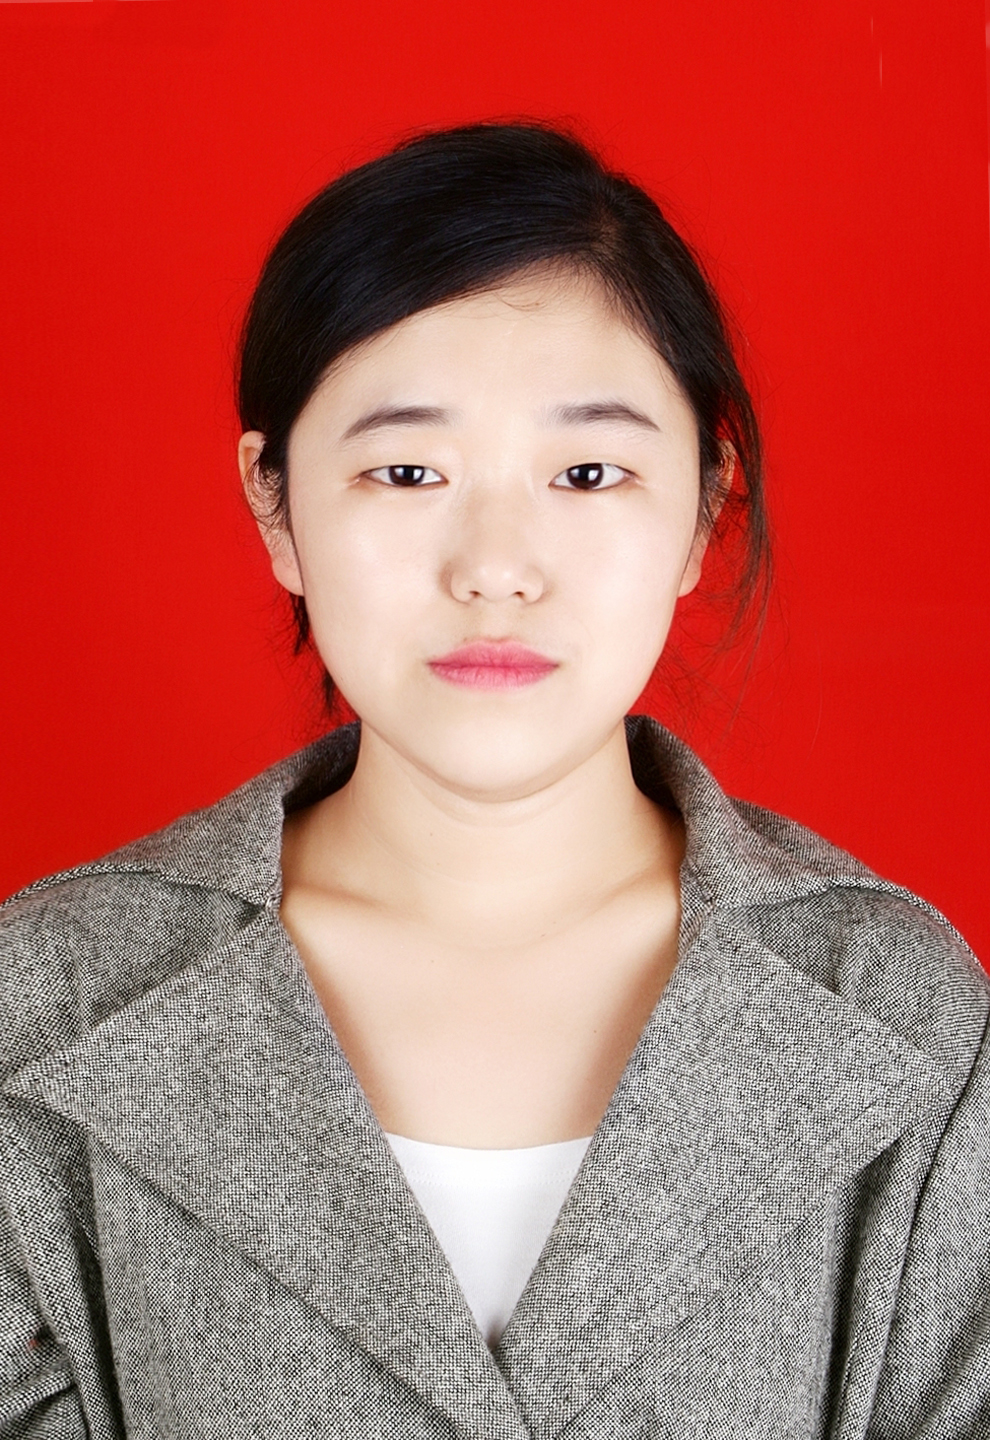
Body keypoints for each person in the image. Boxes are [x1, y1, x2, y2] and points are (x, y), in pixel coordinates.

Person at [0, 121, 987, 1440]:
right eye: (407, 470)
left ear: (703, 506)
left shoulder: (900, 1009)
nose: (496, 568)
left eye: (588, 472)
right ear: (276, 504)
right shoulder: (47, 999)